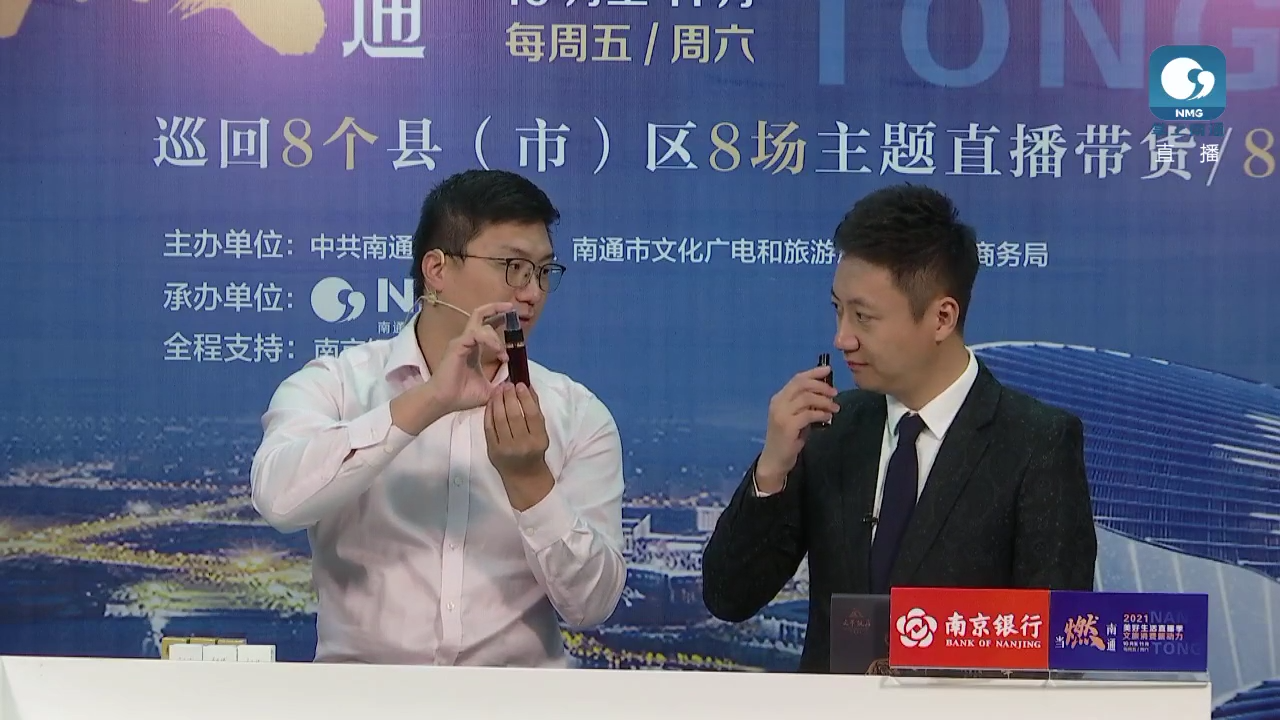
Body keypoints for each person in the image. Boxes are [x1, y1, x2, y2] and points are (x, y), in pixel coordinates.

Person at [700, 184, 1097, 672]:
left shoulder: (1036, 444)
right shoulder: (829, 429)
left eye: (863, 317)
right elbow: (728, 596)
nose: (842, 338)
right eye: (838, 310)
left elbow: (1058, 648)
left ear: (941, 317)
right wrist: (772, 469)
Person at [250, 169, 626, 667]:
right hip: (363, 697)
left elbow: (592, 605)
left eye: (543, 272)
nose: (532, 292)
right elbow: (278, 500)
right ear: (437, 269)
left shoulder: (575, 412)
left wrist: (530, 480)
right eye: (513, 267)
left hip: (517, 699)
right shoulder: (337, 384)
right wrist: (427, 401)